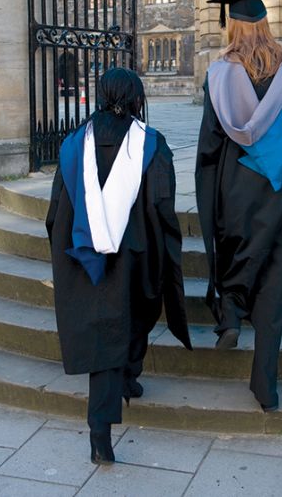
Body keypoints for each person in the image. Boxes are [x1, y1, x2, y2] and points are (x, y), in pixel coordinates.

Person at [46, 68, 192, 464]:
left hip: (84, 254)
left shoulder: (75, 143)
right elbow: (162, 206)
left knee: (104, 327)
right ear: (136, 98)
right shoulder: (152, 144)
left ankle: (125, 383)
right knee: (124, 322)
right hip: (134, 254)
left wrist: (67, 251)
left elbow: (56, 209)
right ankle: (101, 429)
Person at [195, 0, 282, 412]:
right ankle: (265, 385)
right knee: (276, 284)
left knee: (239, 259)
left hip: (236, 194)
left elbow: (210, 148)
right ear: (266, 23)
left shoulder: (218, 76)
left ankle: (230, 314)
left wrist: (211, 198)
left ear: (233, 24)